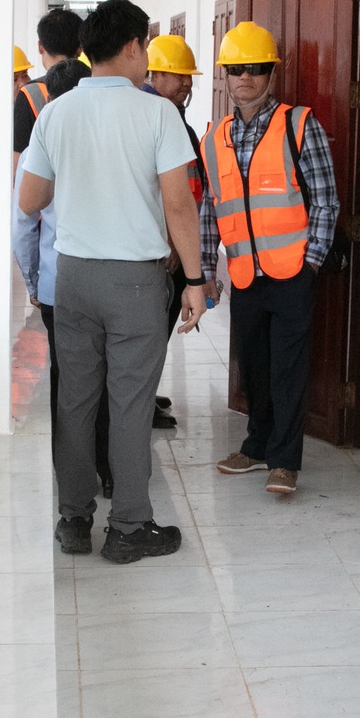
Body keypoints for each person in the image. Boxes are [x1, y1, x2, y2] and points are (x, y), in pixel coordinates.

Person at [19, 0, 209, 564]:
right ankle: (128, 527)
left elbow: (29, 200)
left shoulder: (56, 113)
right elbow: (179, 205)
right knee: (129, 404)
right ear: (131, 46)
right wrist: (195, 279)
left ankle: (74, 520)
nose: (146, 56)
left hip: (73, 277)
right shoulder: (157, 115)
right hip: (134, 283)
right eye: (145, 46)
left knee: (76, 400)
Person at [201, 21, 342, 495]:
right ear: (225, 74)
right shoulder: (214, 137)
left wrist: (312, 261)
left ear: (271, 74)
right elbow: (210, 209)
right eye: (236, 68)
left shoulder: (298, 125)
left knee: (287, 370)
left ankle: (284, 461)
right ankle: (257, 446)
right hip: (245, 275)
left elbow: (326, 200)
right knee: (254, 370)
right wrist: (206, 272)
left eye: (256, 67)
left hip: (292, 273)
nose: (246, 76)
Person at [12, 59, 114, 496]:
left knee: (69, 380)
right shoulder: (113, 141)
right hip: (112, 279)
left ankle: (71, 473)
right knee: (110, 376)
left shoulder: (39, 150)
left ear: (49, 100)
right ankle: (111, 469)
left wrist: (34, 281)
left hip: (60, 286)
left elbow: (23, 226)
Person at [139, 33, 207, 432]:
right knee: (151, 333)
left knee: (157, 332)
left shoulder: (170, 114)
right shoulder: (152, 115)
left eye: (188, 76)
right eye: (178, 75)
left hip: (175, 244)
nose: (186, 83)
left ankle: (145, 395)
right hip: (164, 249)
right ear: (155, 74)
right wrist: (174, 244)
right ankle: (140, 406)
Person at [14, 8, 83, 158]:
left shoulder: (30, 94)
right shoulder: (95, 87)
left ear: (40, 46)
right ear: (80, 48)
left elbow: (18, 163)